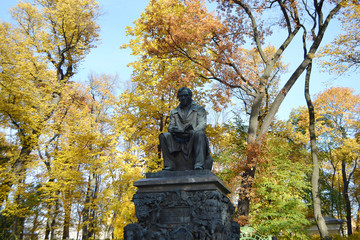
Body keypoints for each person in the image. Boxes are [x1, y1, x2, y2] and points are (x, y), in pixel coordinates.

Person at [159, 87, 213, 171]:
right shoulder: (174, 112)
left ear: (190, 96)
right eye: (181, 96)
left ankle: (199, 164)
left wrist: (192, 131)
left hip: (193, 137)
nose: (183, 98)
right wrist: (175, 130)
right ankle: (170, 164)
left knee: (199, 133)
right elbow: (170, 127)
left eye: (185, 95)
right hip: (178, 138)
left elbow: (202, 125)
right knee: (163, 136)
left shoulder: (199, 109)